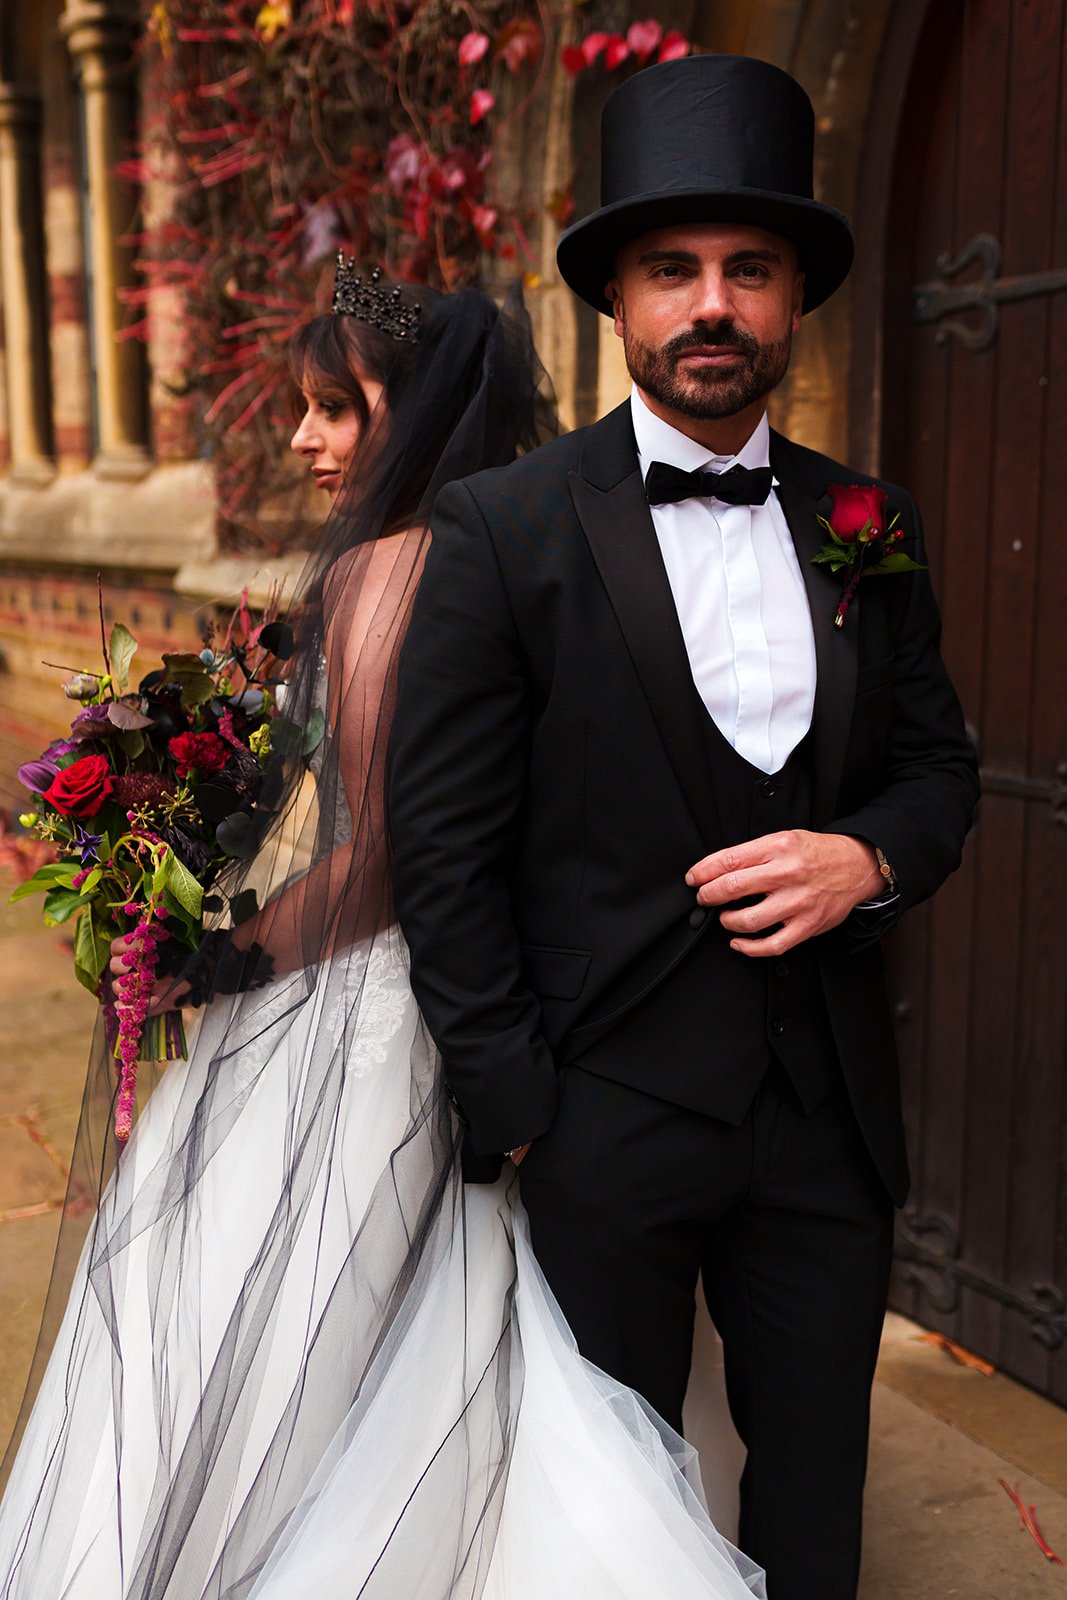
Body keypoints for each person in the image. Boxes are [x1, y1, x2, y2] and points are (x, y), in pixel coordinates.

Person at [0, 261, 767, 1600]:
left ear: (407, 413)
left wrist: (218, 957)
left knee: (316, 1328)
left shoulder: (383, 578)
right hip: (552, 989)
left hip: (408, 1004)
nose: (302, 440)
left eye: (333, 411)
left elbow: (383, 870)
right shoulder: (546, 544)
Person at [388, 54, 981, 1600]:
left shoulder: (874, 524)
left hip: (825, 1124)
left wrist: (873, 857)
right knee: (604, 1514)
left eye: (749, 270)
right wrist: (519, 1106)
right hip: (601, 1113)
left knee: (814, 1492)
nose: (712, 304)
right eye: (674, 270)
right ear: (620, 301)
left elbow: (937, 774)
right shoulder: (503, 529)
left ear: (796, 299)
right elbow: (439, 847)